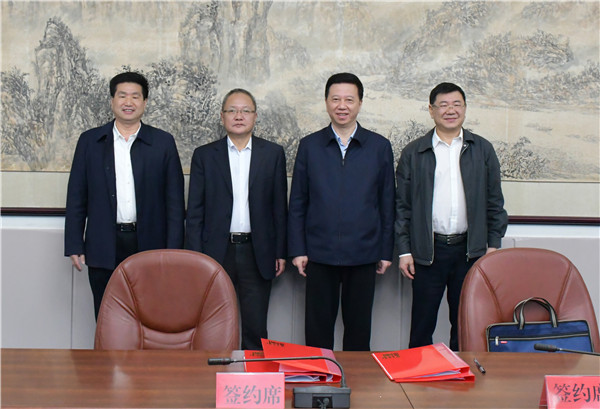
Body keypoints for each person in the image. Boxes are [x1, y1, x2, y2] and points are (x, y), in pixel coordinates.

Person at [395, 82, 508, 351]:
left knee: (466, 325)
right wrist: (404, 251)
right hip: (427, 253)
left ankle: (464, 375)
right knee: (422, 325)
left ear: (465, 109)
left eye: (457, 104)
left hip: (470, 252)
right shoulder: (414, 152)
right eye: (443, 105)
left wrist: (493, 246)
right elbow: (402, 206)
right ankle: (419, 375)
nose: (450, 110)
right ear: (431, 110)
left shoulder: (482, 149)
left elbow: (495, 202)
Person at [64, 71, 185, 319]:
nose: (128, 102)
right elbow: (77, 196)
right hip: (103, 243)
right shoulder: (90, 141)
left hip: (150, 244)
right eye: (122, 96)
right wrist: (74, 243)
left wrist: (173, 251)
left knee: (149, 316)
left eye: (135, 96)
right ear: (112, 101)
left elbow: (174, 203)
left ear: (144, 102)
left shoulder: (162, 142)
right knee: (107, 316)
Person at [288, 73, 395, 351]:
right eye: (335, 99)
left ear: (360, 103)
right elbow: (298, 201)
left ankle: (354, 378)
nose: (342, 106)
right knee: (317, 331)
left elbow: (387, 202)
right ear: (326, 102)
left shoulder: (379, 147)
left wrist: (385, 251)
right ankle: (318, 376)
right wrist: (298, 249)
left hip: (364, 253)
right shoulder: (310, 146)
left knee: (359, 331)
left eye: (349, 99)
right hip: (318, 253)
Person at [186, 88, 287, 350]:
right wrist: (196, 257)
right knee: (214, 325)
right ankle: (214, 373)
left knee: (255, 326)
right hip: (216, 252)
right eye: (232, 110)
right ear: (222, 117)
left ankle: (254, 374)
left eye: (245, 111)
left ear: (255, 116)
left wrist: (280, 251)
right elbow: (195, 212)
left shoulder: (272, 154)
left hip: (257, 251)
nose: (238, 116)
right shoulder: (205, 155)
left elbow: (279, 208)